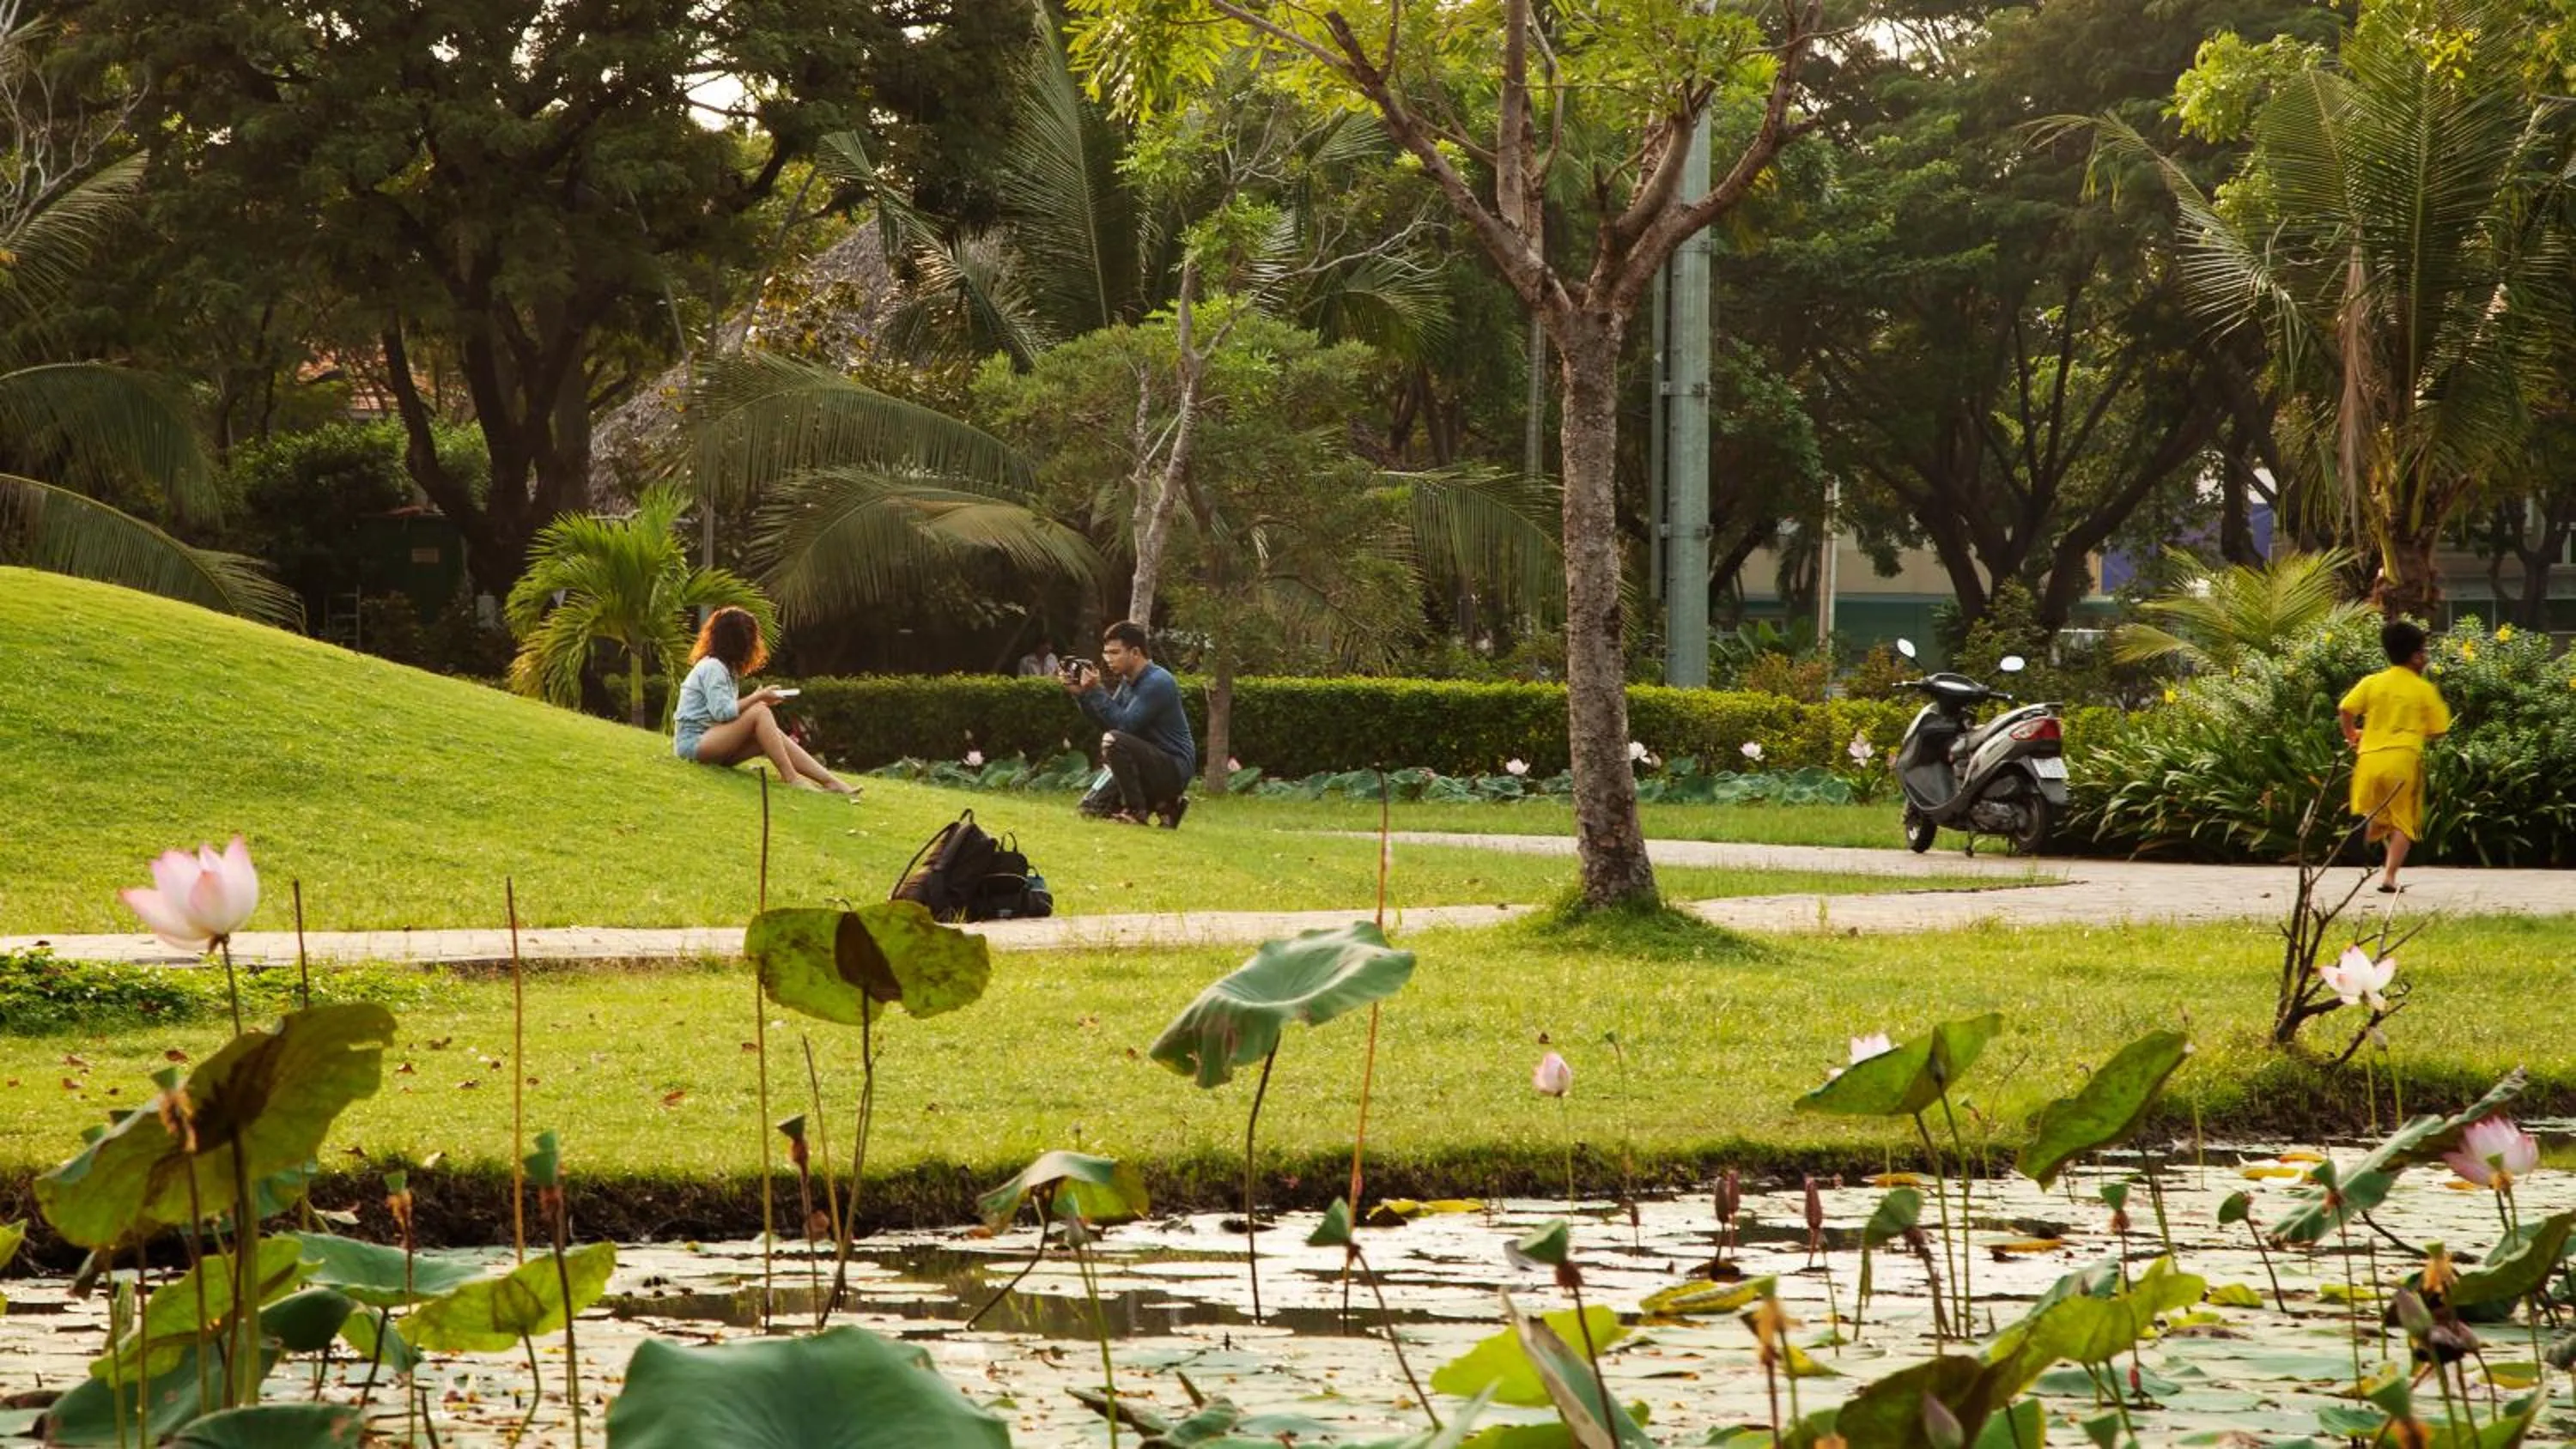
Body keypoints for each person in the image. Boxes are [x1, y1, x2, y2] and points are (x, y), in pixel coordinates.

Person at [673, 606, 859, 796]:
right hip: (694, 744)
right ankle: (792, 778)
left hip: (712, 742)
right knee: (760, 711)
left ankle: (830, 781)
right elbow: (722, 713)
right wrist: (757, 698)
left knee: (769, 733)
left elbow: (724, 716)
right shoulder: (713, 667)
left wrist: (757, 701)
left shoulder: (726, 669)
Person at [2339, 619, 2450, 894]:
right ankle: (2389, 878)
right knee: (2404, 822)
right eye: (2424, 652)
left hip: (2369, 759)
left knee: (2373, 811)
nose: (2426, 657)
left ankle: (2364, 830)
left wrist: (2352, 735)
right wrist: (2413, 730)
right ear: (2415, 658)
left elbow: (2345, 709)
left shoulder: (2372, 682)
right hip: (2403, 760)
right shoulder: (2423, 689)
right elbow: (2439, 731)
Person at [1062, 620, 1194, 827]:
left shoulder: (1158, 681)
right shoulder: (1128, 681)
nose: (1107, 659)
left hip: (1172, 768)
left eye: (1114, 653)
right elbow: (1110, 723)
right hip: (1143, 764)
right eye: (1106, 653)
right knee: (1090, 808)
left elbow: (1124, 727)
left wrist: (1096, 690)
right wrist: (1082, 695)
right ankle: (1168, 806)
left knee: (1113, 741)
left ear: (1135, 652)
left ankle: (1136, 812)